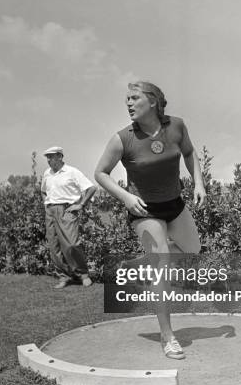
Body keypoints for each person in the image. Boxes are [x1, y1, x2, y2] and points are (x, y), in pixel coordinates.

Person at [95, 82, 206, 359]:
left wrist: (199, 183)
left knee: (193, 249)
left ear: (153, 101)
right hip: (144, 209)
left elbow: (190, 153)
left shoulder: (176, 126)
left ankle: (137, 265)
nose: (129, 104)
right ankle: (168, 336)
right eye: (126, 100)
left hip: (175, 205)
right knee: (163, 266)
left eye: (134, 98)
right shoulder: (122, 139)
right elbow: (101, 173)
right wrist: (125, 197)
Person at [41, 146, 96, 290]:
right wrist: (46, 205)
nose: (48, 160)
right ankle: (63, 276)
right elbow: (43, 191)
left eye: (51, 156)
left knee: (71, 244)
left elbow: (91, 188)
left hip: (67, 209)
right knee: (54, 247)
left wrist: (81, 204)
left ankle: (83, 275)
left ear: (60, 156)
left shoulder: (72, 172)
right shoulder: (47, 173)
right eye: (47, 157)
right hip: (50, 210)